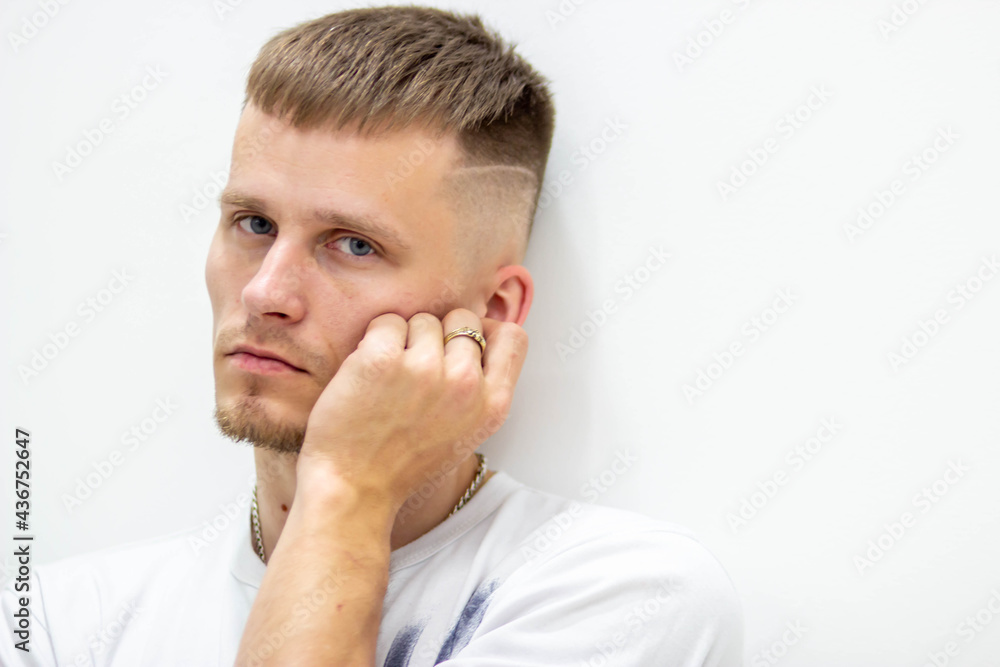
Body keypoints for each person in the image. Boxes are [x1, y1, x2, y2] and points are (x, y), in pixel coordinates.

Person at [1, 6, 743, 665]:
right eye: (253, 225)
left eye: (352, 244)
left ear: (490, 311)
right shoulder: (67, 622)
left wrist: (348, 486)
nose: (264, 294)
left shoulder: (620, 595)